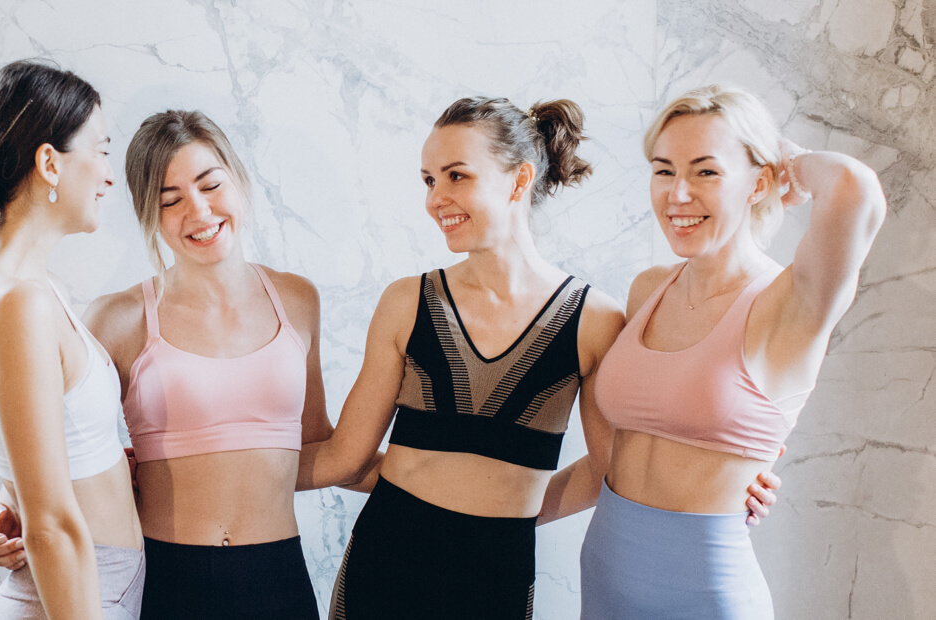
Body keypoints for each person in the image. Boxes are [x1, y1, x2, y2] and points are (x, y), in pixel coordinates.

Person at [296, 96, 782, 620]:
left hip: (497, 576)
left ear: (520, 179)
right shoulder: (407, 302)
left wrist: (729, 481)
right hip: (385, 562)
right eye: (429, 180)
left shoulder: (594, 321)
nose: (436, 198)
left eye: (457, 176)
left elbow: (612, 469)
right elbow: (345, 458)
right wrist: (236, 474)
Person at [0, 109, 333, 619]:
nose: (199, 211)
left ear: (237, 178)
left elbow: (319, 443)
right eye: (171, 200)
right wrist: (6, 506)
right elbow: (63, 438)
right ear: (148, 214)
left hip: (279, 577)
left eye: (211, 185)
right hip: (165, 578)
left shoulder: (298, 300)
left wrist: (426, 466)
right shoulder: (117, 319)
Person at [579, 84, 886, 619]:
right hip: (604, 574)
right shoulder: (647, 289)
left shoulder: (792, 302)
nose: (678, 194)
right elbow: (613, 458)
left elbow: (853, 187)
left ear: (758, 183)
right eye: (664, 170)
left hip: (706, 595)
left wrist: (789, 161)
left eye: (706, 171)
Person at [0, 60, 143, 620]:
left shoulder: (32, 286)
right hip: (75, 596)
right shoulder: (17, 303)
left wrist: (7, 501)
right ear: (49, 162)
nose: (109, 176)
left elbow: (38, 454)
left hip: (92, 586)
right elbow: (54, 526)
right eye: (101, 151)